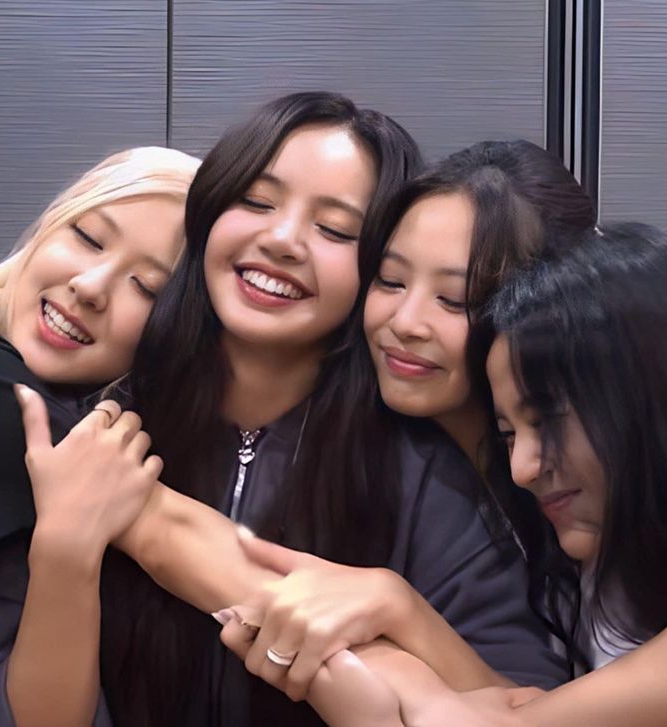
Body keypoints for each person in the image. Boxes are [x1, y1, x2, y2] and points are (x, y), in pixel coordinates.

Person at [82, 94, 566, 727]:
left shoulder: (426, 476)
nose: (281, 240)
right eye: (256, 201)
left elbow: (525, 704)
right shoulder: (107, 414)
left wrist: (394, 632)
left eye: (335, 229)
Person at [250, 222, 667, 727]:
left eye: (548, 420)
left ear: (658, 392)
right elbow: (525, 709)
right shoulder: (600, 574)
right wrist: (397, 608)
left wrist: (391, 685)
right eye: (509, 435)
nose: (523, 469)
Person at [218, 139, 596, 704]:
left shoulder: (592, 483)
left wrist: (398, 609)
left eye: (455, 300)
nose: (406, 321)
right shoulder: (361, 449)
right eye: (390, 281)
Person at [0, 146, 200, 726]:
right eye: (89, 237)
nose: (91, 285)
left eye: (148, 288)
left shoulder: (131, 444)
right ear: (51, 222)